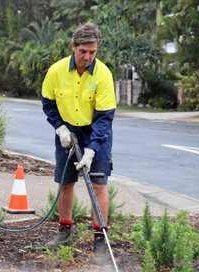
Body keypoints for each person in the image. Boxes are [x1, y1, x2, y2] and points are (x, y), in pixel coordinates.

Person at [41, 23, 117, 252]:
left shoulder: (103, 74)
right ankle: (64, 232)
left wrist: (92, 150)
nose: (87, 56)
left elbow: (104, 117)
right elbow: (48, 103)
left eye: (92, 52)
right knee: (66, 182)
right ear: (73, 47)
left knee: (99, 184)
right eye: (83, 51)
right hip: (68, 133)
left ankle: (100, 239)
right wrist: (60, 129)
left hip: (95, 133)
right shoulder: (56, 71)